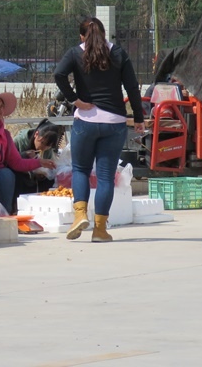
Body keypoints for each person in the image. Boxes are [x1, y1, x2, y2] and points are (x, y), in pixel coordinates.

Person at [54, 17, 145, 242]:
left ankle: (79, 215)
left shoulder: (76, 53)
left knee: (81, 170)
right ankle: (100, 230)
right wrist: (139, 117)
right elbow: (132, 87)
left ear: (82, 37)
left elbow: (59, 74)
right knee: (105, 176)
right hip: (114, 122)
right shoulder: (119, 53)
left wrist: (75, 100)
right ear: (105, 35)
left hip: (85, 121)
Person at [13, 118, 65, 195]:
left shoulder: (48, 150)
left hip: (37, 179)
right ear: (36, 134)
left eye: (48, 146)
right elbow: (10, 159)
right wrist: (24, 155)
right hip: (20, 175)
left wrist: (44, 173)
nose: (44, 148)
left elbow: (49, 167)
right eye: (42, 143)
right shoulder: (20, 140)